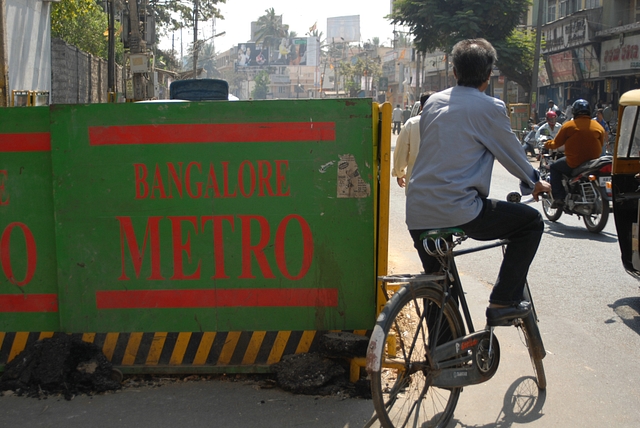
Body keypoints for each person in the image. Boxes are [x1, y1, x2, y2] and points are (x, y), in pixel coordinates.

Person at [407, 38, 550, 326]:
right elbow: (512, 153)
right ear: (489, 76)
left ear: (455, 72)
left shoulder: (432, 102)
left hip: (418, 212)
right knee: (531, 224)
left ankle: (443, 361)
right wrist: (535, 182)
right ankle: (503, 299)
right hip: (459, 209)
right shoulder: (491, 107)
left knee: (439, 287)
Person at [544, 99, 605, 208]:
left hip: (574, 162)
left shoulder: (568, 125)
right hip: (593, 162)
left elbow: (556, 143)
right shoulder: (598, 126)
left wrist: (546, 144)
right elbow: (601, 143)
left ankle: (559, 198)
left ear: (574, 112)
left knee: (553, 167)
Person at [392, 92, 434, 194]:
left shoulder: (412, 124)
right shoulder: (446, 124)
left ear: (421, 107)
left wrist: (399, 173)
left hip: (416, 183)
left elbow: (401, 152)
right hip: (441, 184)